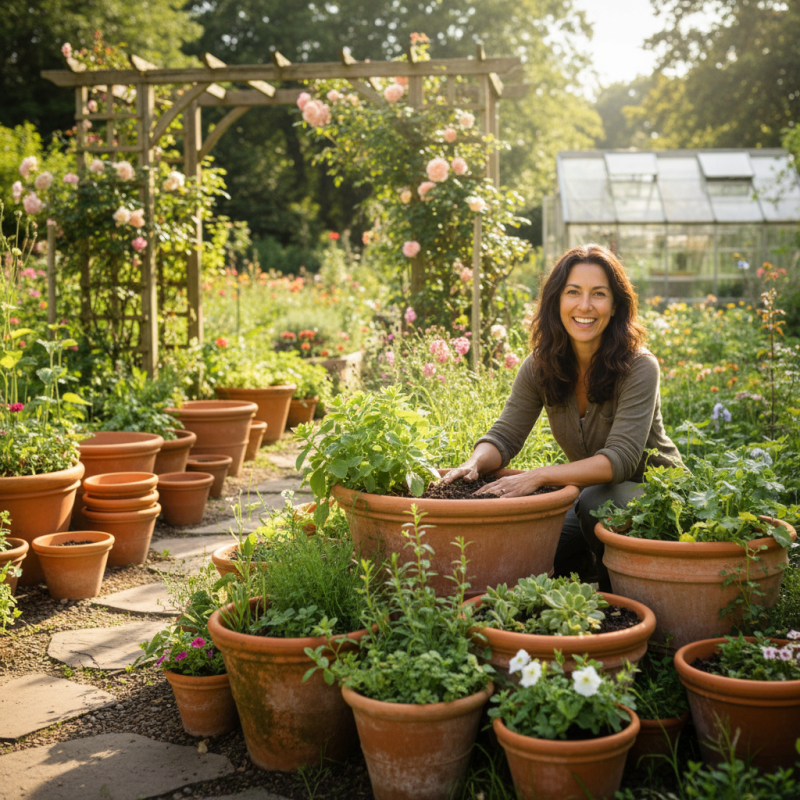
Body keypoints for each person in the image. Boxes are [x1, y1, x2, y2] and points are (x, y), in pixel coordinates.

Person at [443, 243, 683, 590]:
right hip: (593, 500)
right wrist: (475, 462)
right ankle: (587, 566)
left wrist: (537, 477)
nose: (585, 306)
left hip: (656, 497)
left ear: (615, 305)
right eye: (573, 292)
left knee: (595, 500)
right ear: (556, 300)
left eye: (598, 294)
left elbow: (621, 461)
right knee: (528, 550)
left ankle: (617, 599)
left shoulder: (639, 366)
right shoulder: (541, 365)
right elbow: (506, 435)